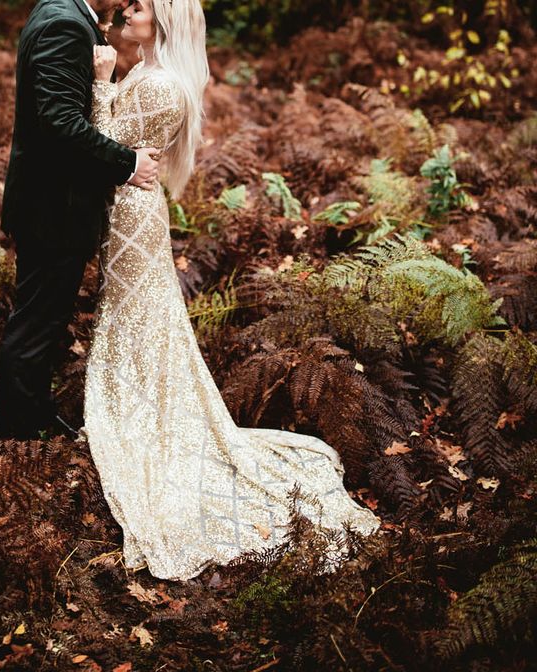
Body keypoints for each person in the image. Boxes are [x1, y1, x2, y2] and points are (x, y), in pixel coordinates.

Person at [82, 0, 383, 580]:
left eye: (142, 6)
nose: (129, 9)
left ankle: (137, 408)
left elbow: (105, 142)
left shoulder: (163, 84)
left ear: (164, 22)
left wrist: (99, 81)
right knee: (137, 315)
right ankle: (136, 392)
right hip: (124, 211)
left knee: (138, 315)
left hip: (131, 218)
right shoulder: (144, 70)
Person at [0, 0, 161, 440]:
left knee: (43, 322)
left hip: (48, 202)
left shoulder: (58, 10)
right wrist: (128, 162)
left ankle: (33, 416)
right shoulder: (66, 25)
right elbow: (60, 120)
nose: (127, 3)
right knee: (36, 326)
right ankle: (18, 438)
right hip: (54, 207)